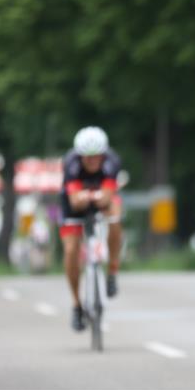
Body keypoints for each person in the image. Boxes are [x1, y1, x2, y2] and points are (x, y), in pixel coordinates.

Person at [60, 126, 124, 331]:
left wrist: (96, 197)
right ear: (80, 156)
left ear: (103, 154)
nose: (92, 161)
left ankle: (112, 270)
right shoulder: (71, 164)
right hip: (73, 206)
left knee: (115, 219)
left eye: (96, 157)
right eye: (87, 158)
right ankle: (77, 305)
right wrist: (85, 197)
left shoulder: (112, 162)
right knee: (71, 250)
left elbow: (107, 195)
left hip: (100, 199)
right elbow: (75, 201)